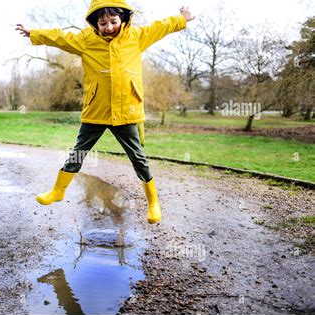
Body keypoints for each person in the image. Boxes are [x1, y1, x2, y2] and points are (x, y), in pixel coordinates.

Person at [16, 0, 195, 224]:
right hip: (96, 111)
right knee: (78, 152)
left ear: (123, 19)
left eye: (113, 21)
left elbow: (160, 27)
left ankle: (153, 203)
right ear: (95, 23)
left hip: (126, 111)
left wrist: (181, 19)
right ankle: (58, 190)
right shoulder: (85, 40)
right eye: (103, 23)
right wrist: (35, 32)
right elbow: (60, 37)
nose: (109, 27)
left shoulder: (136, 36)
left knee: (138, 158)